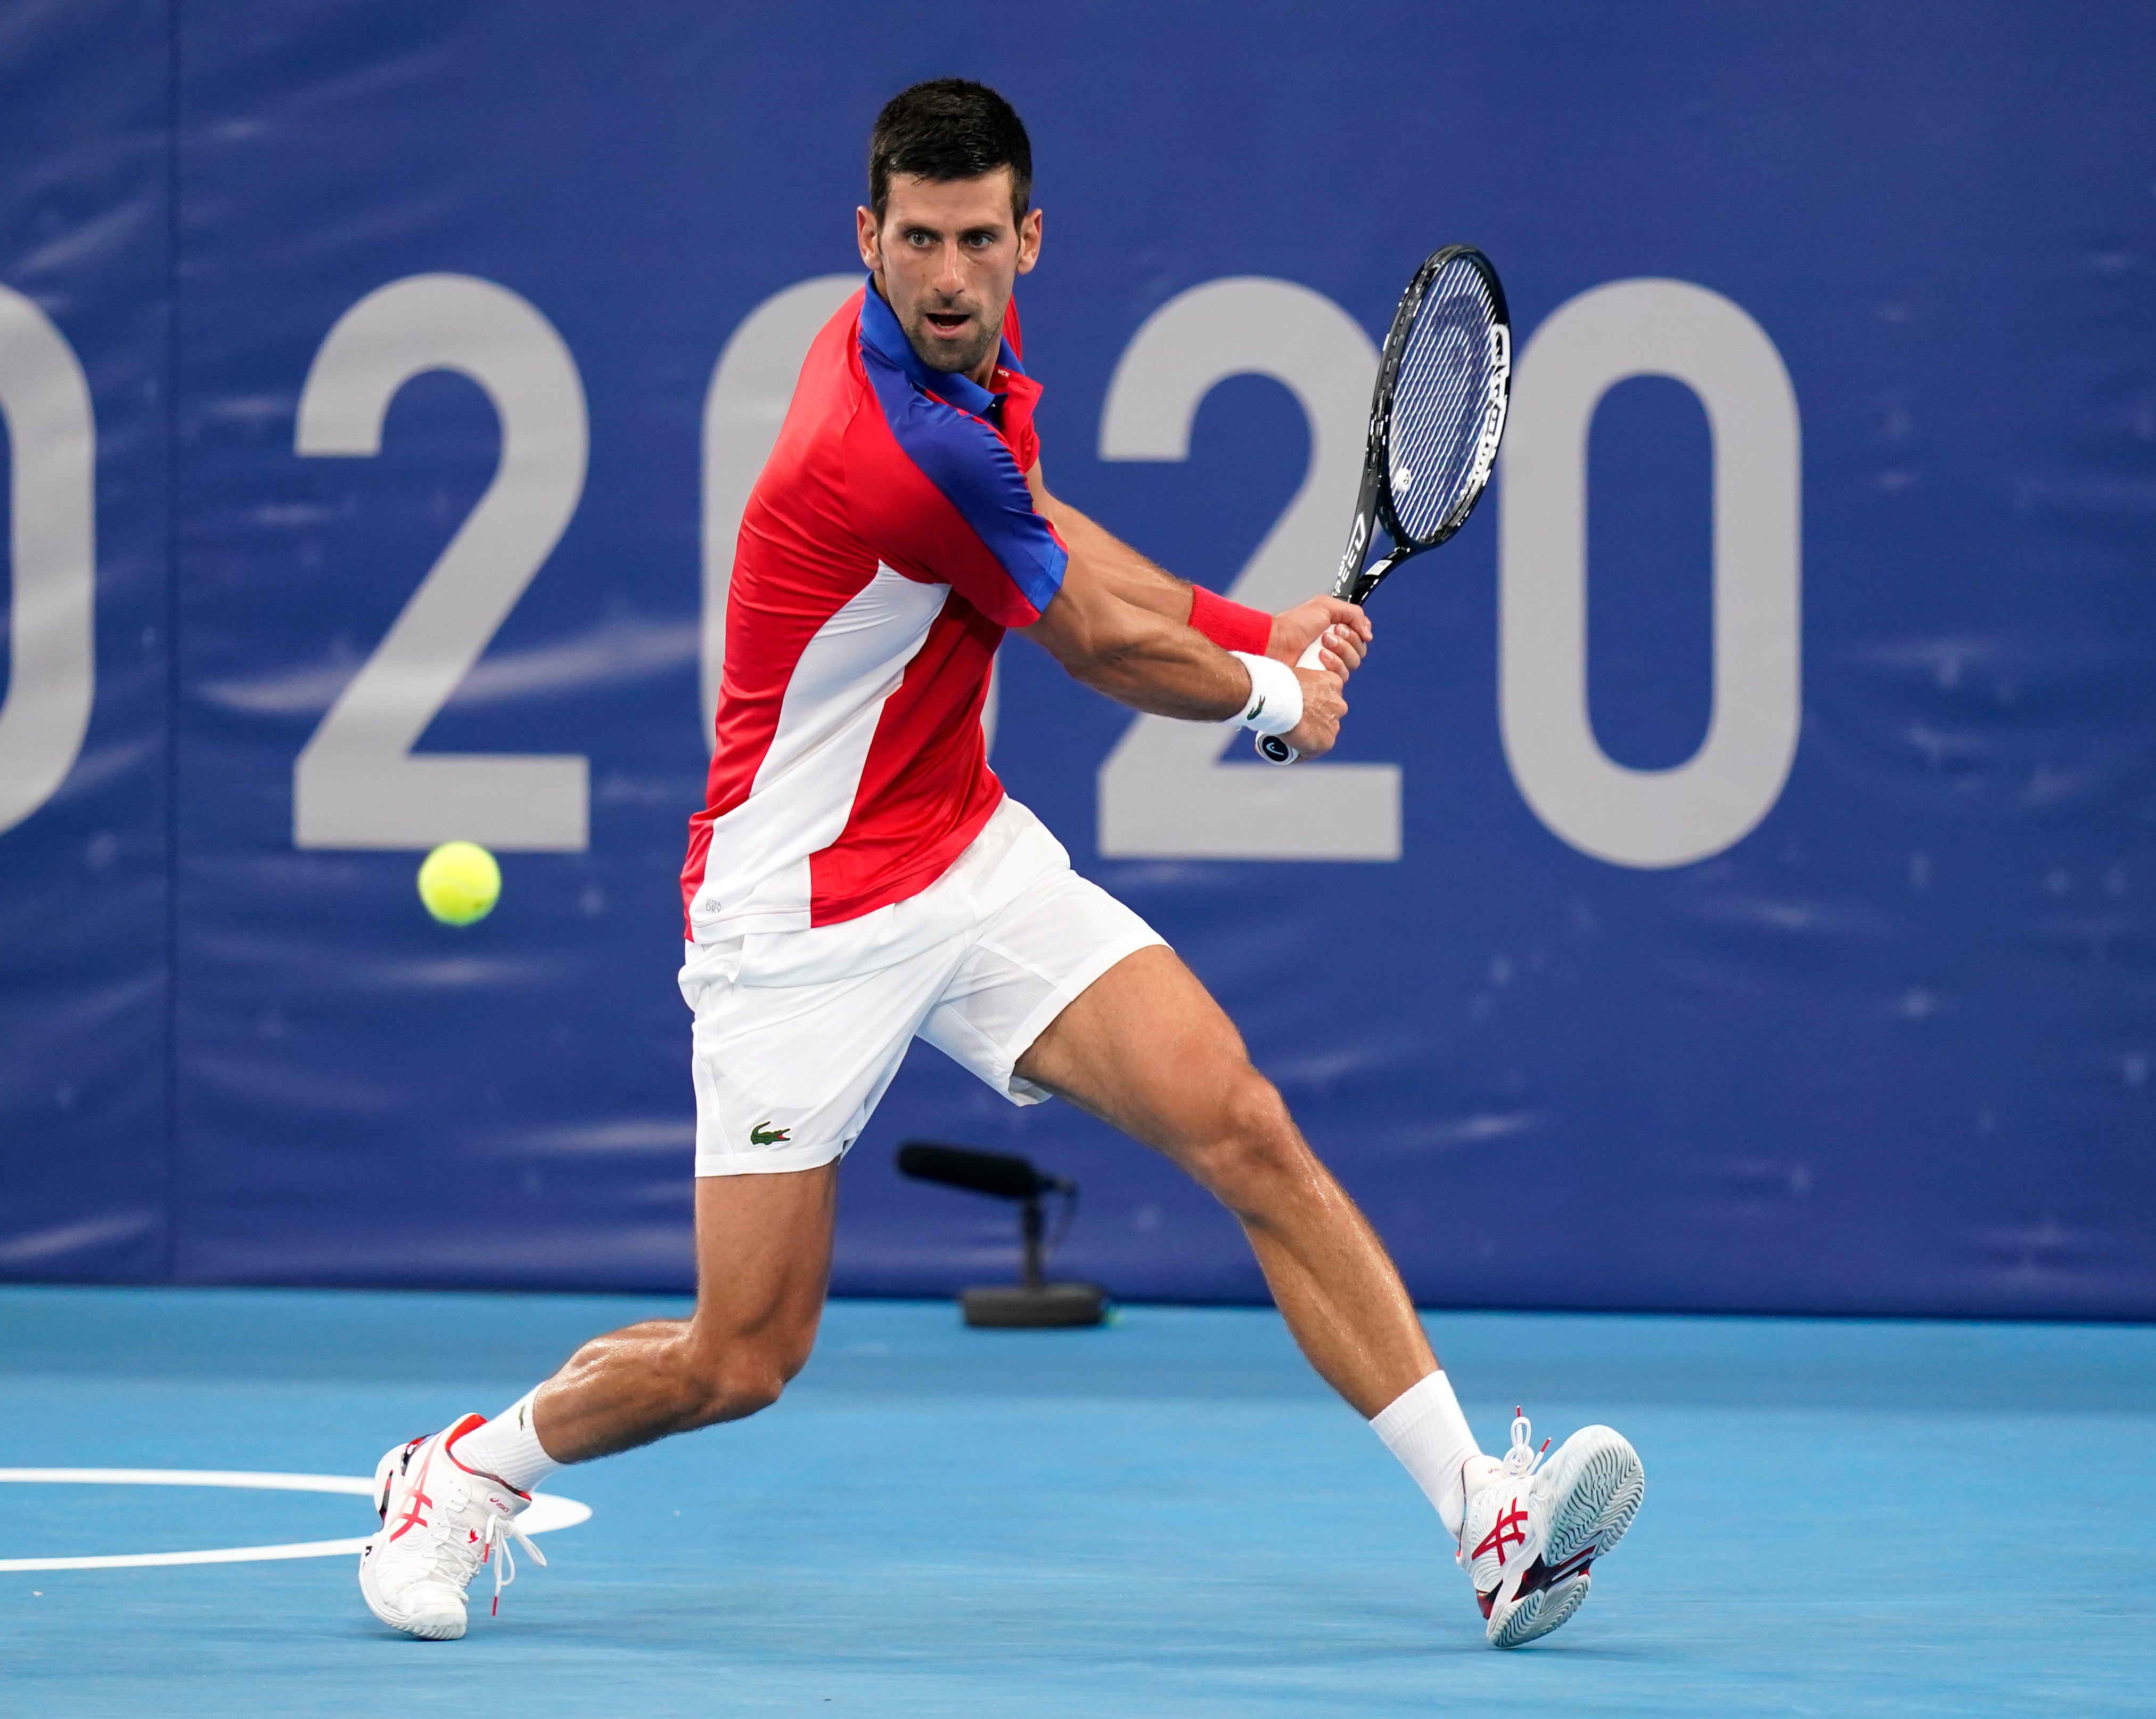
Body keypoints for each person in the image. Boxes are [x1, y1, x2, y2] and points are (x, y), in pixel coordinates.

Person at [358, 77, 1642, 1650]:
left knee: (1238, 1118)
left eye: (976, 239)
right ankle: (458, 1472)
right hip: (800, 915)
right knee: (741, 1356)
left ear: (1026, 238)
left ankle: (1486, 1522)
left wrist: (1254, 622)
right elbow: (1093, 642)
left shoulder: (962, 380)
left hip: (961, 854)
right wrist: (1269, 701)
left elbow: (1043, 520)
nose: (949, 274)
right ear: (868, 239)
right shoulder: (889, 438)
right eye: (917, 242)